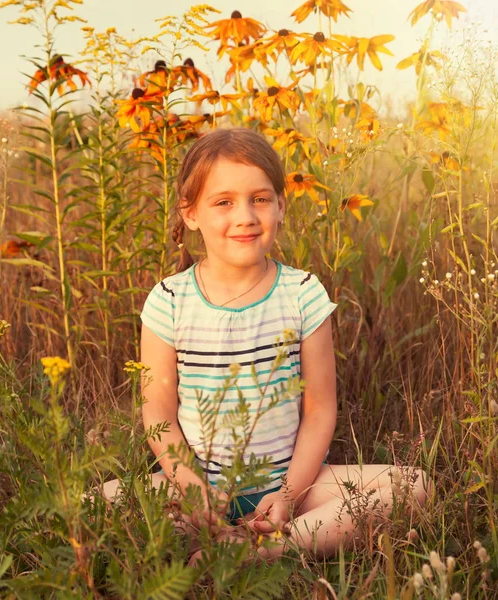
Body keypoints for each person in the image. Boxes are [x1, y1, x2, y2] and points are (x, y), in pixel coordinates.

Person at [104, 128, 430, 561]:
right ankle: (219, 536)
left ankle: (272, 549)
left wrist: (289, 496)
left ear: (280, 206)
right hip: (197, 490)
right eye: (223, 202)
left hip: (289, 484)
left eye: (260, 199)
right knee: (98, 502)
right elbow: (157, 411)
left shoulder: (302, 293)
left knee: (415, 486)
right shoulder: (168, 300)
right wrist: (191, 488)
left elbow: (319, 410)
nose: (245, 216)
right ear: (190, 213)